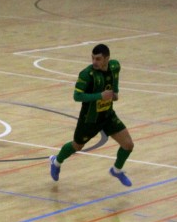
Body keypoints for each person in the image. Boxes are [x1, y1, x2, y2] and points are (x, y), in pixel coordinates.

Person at [49, 44, 135, 187]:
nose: (94, 62)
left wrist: (115, 92)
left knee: (128, 145)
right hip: (89, 119)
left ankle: (117, 170)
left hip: (107, 116)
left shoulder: (115, 66)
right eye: (93, 58)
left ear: (107, 58)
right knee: (77, 146)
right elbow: (77, 96)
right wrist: (99, 96)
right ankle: (56, 161)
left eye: (98, 59)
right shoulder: (87, 74)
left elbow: (115, 81)